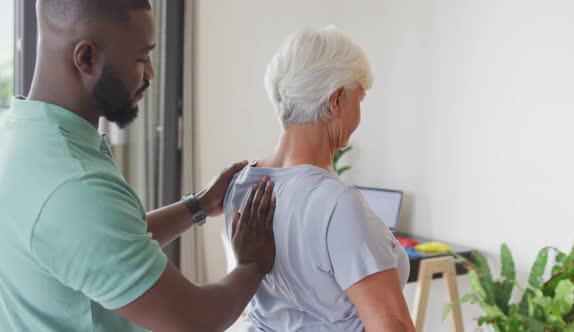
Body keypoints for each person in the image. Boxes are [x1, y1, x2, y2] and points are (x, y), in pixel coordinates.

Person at [0, 1, 276, 331]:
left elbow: (111, 242)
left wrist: (198, 204)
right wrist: (252, 263)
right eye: (141, 58)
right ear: (86, 58)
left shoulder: (26, 134)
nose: (150, 73)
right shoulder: (74, 185)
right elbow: (194, 319)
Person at [223, 27, 416, 331]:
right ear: (336, 100)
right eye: (360, 99)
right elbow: (392, 326)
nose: (359, 115)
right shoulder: (336, 203)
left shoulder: (240, 185)